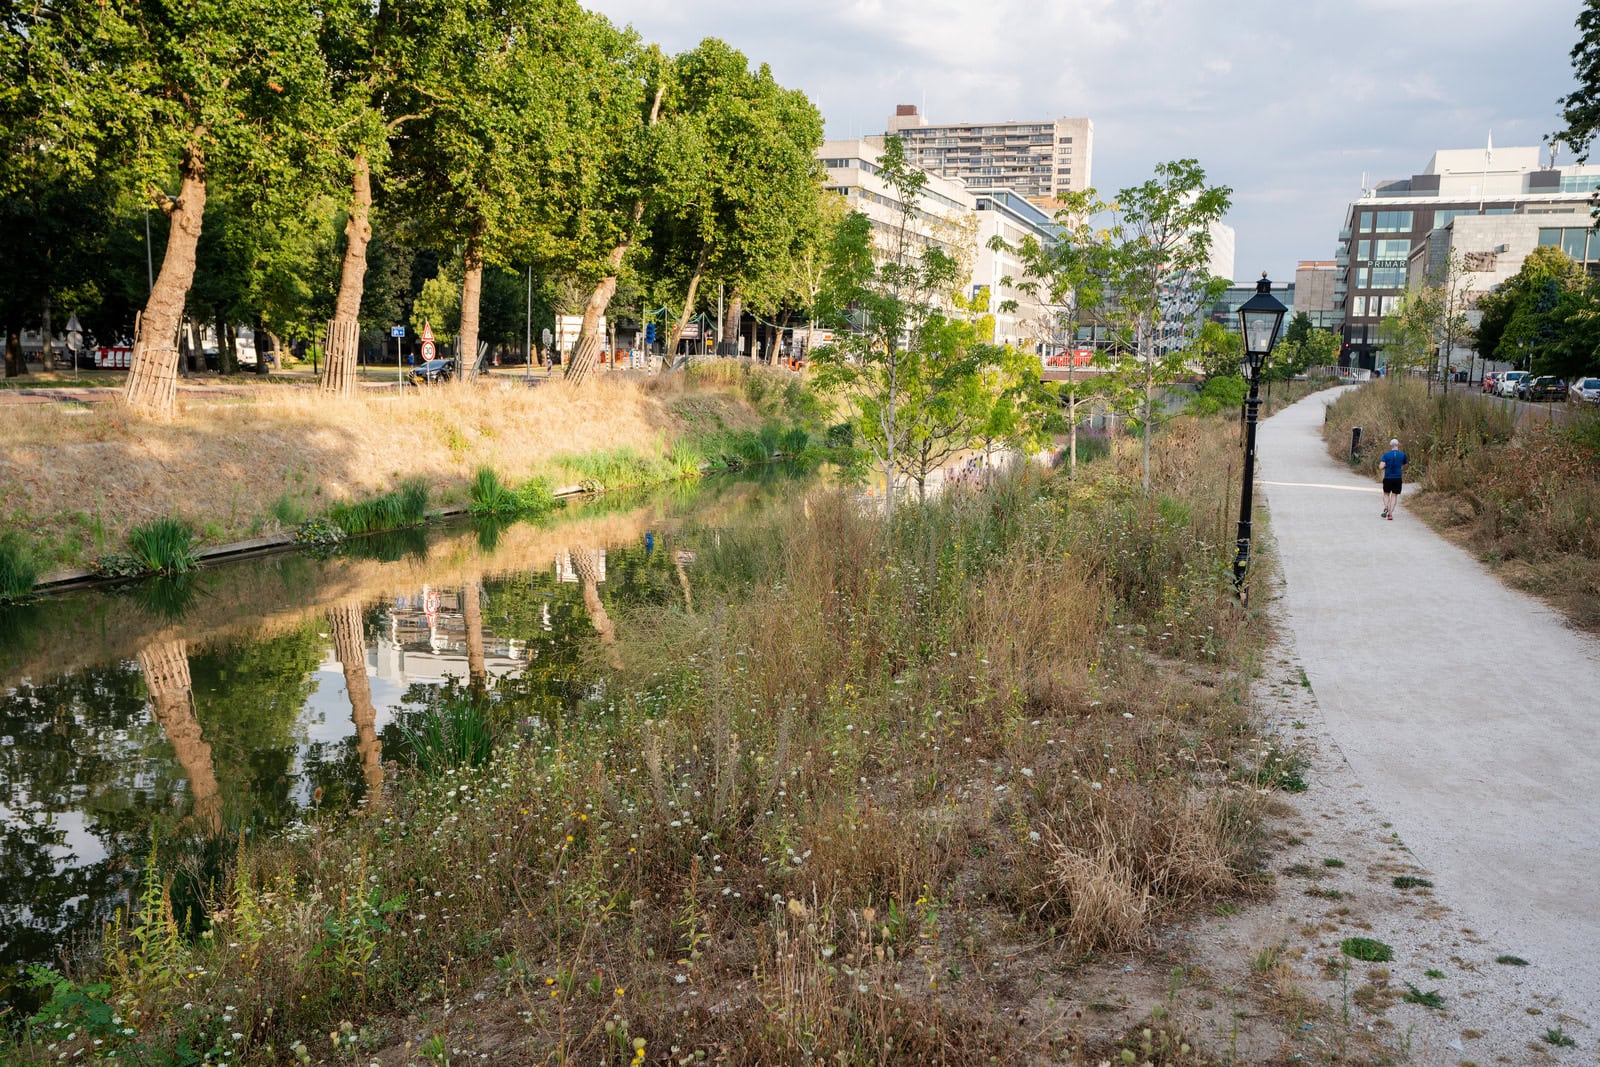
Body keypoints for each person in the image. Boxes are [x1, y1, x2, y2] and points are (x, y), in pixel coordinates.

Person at [1377, 438, 1407, 520]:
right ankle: (1390, 514)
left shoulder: (1386, 455)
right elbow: (1404, 464)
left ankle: (1386, 506)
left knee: (1386, 494)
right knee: (1394, 495)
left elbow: (1381, 467)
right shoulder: (1403, 455)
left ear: (1390, 446)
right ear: (1398, 445)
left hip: (1388, 478)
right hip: (1397, 478)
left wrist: (1386, 466)